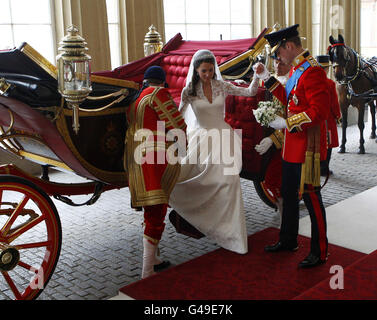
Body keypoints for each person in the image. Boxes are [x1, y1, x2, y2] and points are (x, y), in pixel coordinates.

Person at [169, 49, 260, 254]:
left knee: (230, 181)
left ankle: (231, 234)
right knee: (199, 180)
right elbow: (178, 115)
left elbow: (250, 92)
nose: (208, 74)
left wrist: (257, 75)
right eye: (204, 71)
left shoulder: (221, 85)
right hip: (201, 139)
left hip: (224, 138)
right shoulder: (189, 91)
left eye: (211, 70)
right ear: (196, 70)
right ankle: (203, 219)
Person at [254, 24, 330, 268]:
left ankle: (319, 251)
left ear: (288, 46)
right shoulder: (298, 69)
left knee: (311, 198)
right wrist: (267, 78)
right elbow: (290, 100)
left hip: (308, 145)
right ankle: (288, 240)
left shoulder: (313, 71)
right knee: (288, 194)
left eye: (277, 53)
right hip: (292, 145)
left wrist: (288, 122)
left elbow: (319, 112)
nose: (277, 58)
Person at [124, 66, 187, 278]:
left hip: (135, 159)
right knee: (157, 212)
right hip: (152, 161)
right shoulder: (157, 94)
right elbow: (178, 124)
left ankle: (154, 260)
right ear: (161, 82)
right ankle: (147, 271)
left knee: (150, 210)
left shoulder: (137, 98)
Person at [254, 58, 292, 219]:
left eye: (282, 62)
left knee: (274, 176)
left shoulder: (292, 86)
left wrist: (274, 139)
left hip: (287, 139)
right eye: (276, 62)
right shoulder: (267, 83)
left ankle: (286, 216)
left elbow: (293, 122)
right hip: (266, 134)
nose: (278, 65)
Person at [316, 55, 341, 177]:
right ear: (326, 69)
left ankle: (318, 166)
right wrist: (338, 115)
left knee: (317, 143)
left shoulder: (313, 82)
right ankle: (324, 168)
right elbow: (334, 103)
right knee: (328, 144)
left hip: (315, 117)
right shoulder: (330, 84)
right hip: (328, 119)